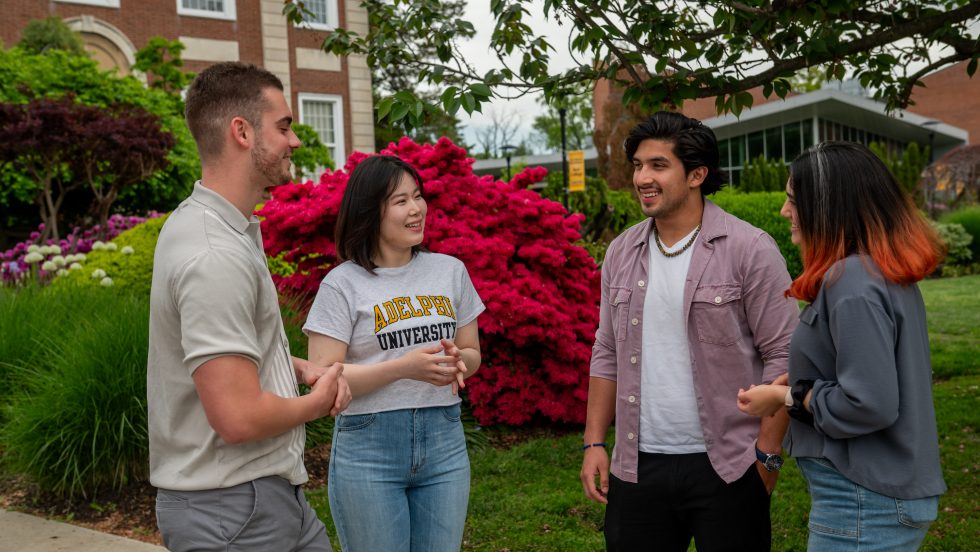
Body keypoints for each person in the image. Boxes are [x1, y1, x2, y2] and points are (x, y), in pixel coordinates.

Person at [147, 62, 351, 552]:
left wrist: (296, 369)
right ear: (242, 132)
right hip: (233, 514)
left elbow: (231, 362)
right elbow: (237, 415)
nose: (294, 141)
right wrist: (317, 404)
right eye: (283, 126)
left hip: (262, 499)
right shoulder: (213, 253)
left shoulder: (217, 228)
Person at [580, 111, 800, 551]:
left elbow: (786, 355)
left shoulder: (750, 249)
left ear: (697, 174)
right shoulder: (622, 251)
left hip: (730, 465)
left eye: (658, 165)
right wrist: (593, 443)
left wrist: (766, 458)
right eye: (639, 165)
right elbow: (606, 350)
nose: (643, 177)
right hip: (638, 466)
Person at [736, 141, 947, 551]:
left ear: (829, 208)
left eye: (793, 200)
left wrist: (785, 395)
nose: (785, 212)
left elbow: (870, 403)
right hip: (877, 496)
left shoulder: (850, 279)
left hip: (863, 500)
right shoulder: (881, 273)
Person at [304, 154, 485, 552]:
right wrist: (404, 368)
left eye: (418, 196)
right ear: (371, 212)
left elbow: (471, 352)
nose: (416, 208)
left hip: (444, 440)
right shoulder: (342, 284)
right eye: (400, 200)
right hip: (368, 446)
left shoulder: (449, 271)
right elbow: (323, 379)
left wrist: (458, 361)